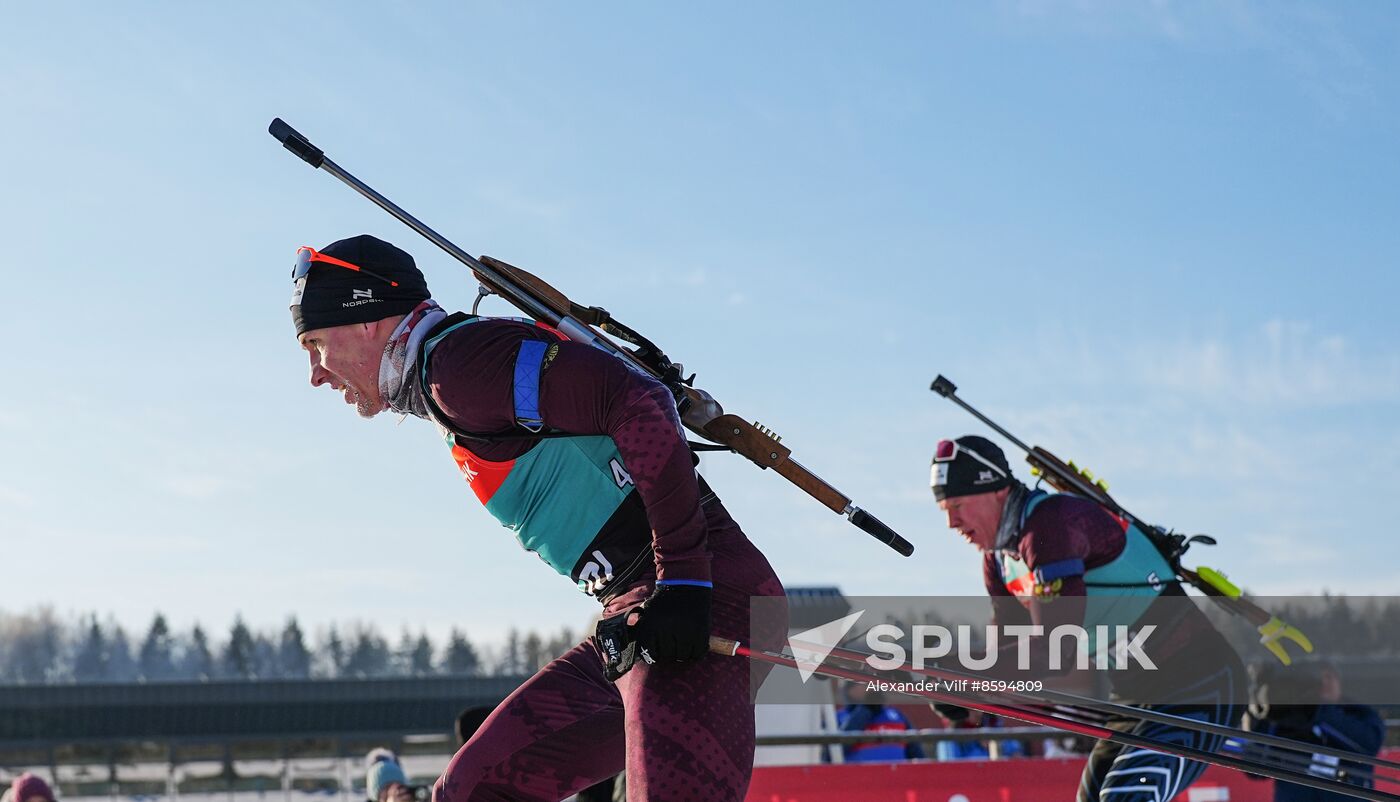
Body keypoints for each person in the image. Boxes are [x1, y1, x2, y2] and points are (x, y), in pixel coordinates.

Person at [289, 235, 787, 801]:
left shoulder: (457, 369)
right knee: (471, 792)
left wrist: (685, 580)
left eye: (315, 344)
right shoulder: (447, 376)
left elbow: (640, 401)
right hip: (642, 613)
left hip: (699, 603)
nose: (315, 374)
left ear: (365, 321)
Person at [931, 435, 1245, 802]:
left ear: (997, 491)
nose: (951, 522)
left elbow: (1054, 651)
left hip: (1198, 683)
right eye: (944, 510)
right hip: (1134, 699)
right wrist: (963, 693)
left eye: (958, 505)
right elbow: (1008, 655)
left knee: (1124, 799)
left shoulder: (1050, 525)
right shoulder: (998, 561)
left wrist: (964, 672)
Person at [1243, 663, 1386, 802]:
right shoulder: (1285, 717)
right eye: (1316, 678)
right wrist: (1267, 714)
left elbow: (1369, 744)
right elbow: (1255, 769)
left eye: (1328, 677)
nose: (1324, 683)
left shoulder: (1357, 713)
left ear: (1339, 680)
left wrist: (1318, 711)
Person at [836, 683, 926, 763]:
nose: (871, 688)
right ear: (850, 690)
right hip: (858, 775)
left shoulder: (896, 715)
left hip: (897, 774)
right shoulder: (839, 717)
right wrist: (865, 710)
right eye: (863, 684)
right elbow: (835, 750)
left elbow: (916, 753)